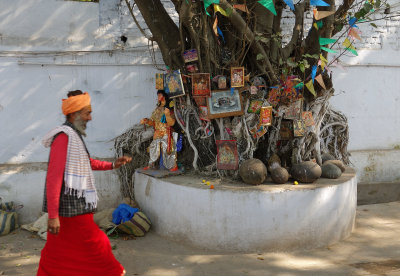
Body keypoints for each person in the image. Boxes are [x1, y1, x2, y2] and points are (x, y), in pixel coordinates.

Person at [37, 90, 131, 276]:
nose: (90, 117)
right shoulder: (63, 137)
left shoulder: (74, 137)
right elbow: (54, 177)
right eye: (87, 112)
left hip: (74, 203)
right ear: (74, 114)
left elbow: (86, 164)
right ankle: (111, 271)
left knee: (59, 246)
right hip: (70, 206)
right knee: (97, 242)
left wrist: (112, 164)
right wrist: (53, 216)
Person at [140, 90, 178, 172]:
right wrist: (146, 121)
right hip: (157, 132)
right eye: (158, 95)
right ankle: (151, 164)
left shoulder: (169, 108)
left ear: (164, 96)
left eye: (159, 95)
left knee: (168, 149)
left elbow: (172, 122)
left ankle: (173, 166)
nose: (158, 97)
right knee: (153, 147)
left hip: (166, 131)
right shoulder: (157, 109)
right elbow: (153, 122)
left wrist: (167, 115)